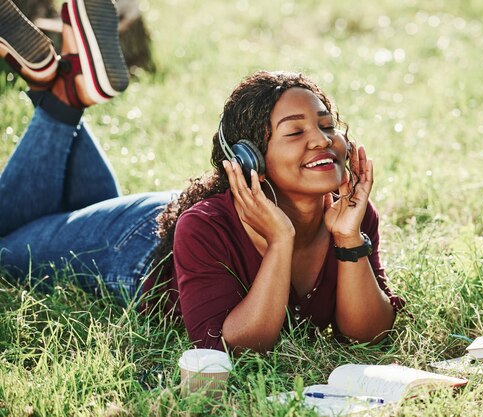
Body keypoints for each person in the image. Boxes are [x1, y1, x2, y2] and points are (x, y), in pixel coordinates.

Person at [0, 0, 404, 354]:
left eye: (327, 125)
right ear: (250, 159)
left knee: (48, 211)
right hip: (137, 242)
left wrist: (350, 241)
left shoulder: (350, 217)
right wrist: (282, 240)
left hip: (160, 225)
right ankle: (62, 99)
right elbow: (230, 347)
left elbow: (367, 334)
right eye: (296, 132)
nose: (322, 140)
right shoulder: (205, 226)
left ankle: (59, 92)